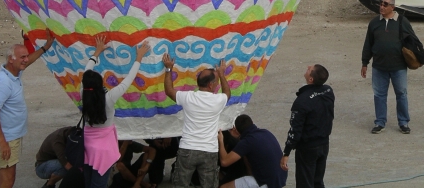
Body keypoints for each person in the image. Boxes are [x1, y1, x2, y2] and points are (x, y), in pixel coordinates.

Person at [0, 31, 55, 188]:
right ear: (11, 59)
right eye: (22, 57)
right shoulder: (3, 82)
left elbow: (29, 60)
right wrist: (3, 142)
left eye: (26, 56)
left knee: (7, 177)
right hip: (6, 138)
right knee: (7, 179)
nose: (26, 60)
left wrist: (45, 47)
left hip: (11, 136)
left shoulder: (13, 72)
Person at [82, 36, 150, 188]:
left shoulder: (83, 93)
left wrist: (97, 52)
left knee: (88, 182)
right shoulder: (109, 98)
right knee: (99, 183)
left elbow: (86, 72)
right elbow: (129, 79)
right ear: (100, 84)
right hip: (103, 149)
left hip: (86, 145)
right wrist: (139, 57)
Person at [162, 53, 231, 188]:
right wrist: (222, 74)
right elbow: (227, 93)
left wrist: (168, 69)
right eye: (216, 81)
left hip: (187, 149)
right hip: (209, 150)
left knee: (180, 185)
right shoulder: (218, 100)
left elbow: (169, 91)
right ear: (211, 85)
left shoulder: (188, 97)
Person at [360, 0, 416, 134]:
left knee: (401, 94)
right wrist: (364, 62)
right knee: (379, 95)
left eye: (385, 4)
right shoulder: (374, 23)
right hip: (379, 67)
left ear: (393, 7)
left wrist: (416, 57)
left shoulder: (402, 22)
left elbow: (413, 41)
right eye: (381, 3)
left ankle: (403, 122)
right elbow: (368, 43)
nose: (382, 6)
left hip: (399, 67)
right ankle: (380, 122)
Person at [280, 65, 334, 188]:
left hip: (308, 148)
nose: (308, 67)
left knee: (305, 183)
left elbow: (295, 130)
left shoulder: (302, 101)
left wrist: (286, 153)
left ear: (311, 79)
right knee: (318, 182)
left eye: (310, 69)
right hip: (324, 144)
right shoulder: (328, 91)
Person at [218, 114, 287, 188]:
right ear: (252, 123)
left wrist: (221, 141)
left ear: (236, 130)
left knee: (224, 187)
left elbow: (224, 162)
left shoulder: (247, 142)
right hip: (280, 178)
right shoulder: (265, 132)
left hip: (267, 183)